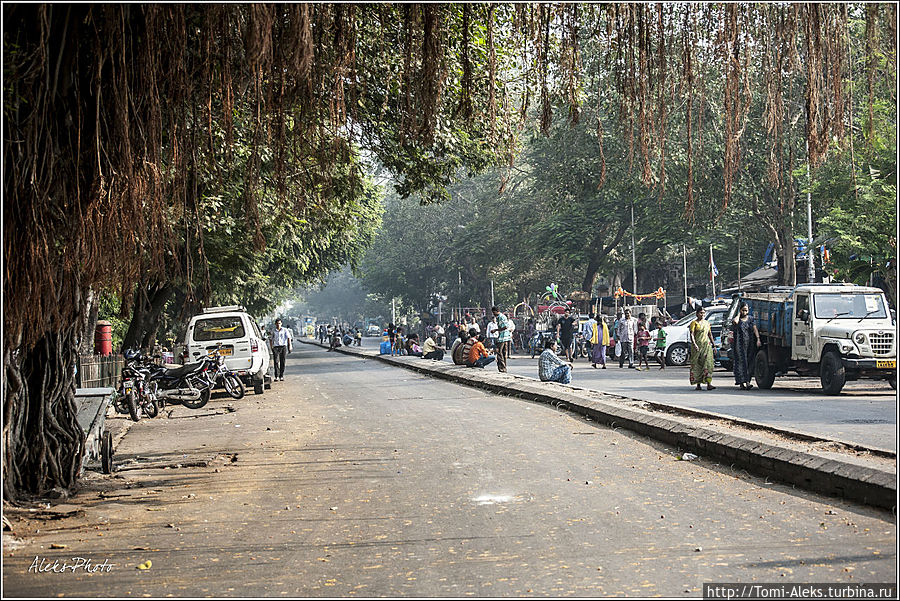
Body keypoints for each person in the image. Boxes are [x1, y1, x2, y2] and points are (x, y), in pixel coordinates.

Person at [732, 302, 761, 390]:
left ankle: (748, 381)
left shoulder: (751, 319)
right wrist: (738, 314)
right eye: (743, 310)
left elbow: (755, 329)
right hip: (739, 344)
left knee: (749, 361)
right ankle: (743, 382)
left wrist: (758, 339)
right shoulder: (737, 320)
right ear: (740, 310)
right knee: (741, 362)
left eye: (746, 310)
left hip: (750, 343)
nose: (745, 312)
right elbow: (735, 321)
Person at [689, 307, 716, 390]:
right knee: (697, 365)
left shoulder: (707, 323)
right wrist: (694, 344)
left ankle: (709, 383)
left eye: (704, 313)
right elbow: (692, 334)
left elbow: (710, 334)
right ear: (697, 314)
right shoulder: (694, 323)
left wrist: (714, 345)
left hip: (706, 346)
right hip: (697, 347)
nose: (702, 315)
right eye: (701, 313)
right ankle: (698, 384)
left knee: (708, 364)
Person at [493, 306, 512, 373]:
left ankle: (502, 367)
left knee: (499, 352)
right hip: (505, 337)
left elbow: (505, 327)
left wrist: (496, 330)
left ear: (495, 311)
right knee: (503, 353)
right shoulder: (500, 317)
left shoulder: (501, 317)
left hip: (503, 337)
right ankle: (504, 368)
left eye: (493, 312)